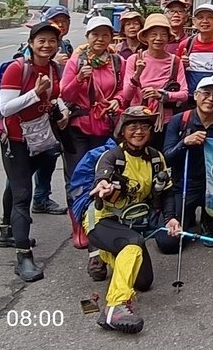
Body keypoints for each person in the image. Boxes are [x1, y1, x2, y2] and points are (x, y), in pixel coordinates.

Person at [87, 107, 182, 333]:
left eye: (144, 126)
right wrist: (103, 185)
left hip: (132, 223)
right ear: (123, 130)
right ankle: (115, 306)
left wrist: (170, 219)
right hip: (103, 220)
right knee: (133, 245)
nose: (138, 131)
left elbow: (167, 191)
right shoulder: (113, 157)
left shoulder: (156, 158)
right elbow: (102, 177)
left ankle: (106, 255)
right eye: (133, 126)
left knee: (143, 282)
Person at [0, 21, 66, 282]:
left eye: (52, 41)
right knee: (23, 194)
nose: (47, 45)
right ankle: (23, 256)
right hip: (16, 140)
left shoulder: (53, 68)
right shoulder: (17, 69)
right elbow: (6, 108)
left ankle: (6, 230)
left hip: (39, 138)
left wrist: (60, 112)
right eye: (41, 40)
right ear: (31, 43)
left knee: (17, 185)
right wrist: (35, 94)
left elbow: (54, 98)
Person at [60, 16, 123, 267]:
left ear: (111, 38)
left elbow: (124, 88)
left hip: (104, 127)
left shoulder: (117, 61)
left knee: (101, 177)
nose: (100, 39)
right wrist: (80, 79)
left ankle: (98, 222)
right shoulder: (78, 60)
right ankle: (78, 224)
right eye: (95, 34)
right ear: (87, 37)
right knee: (77, 176)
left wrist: (118, 99)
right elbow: (65, 92)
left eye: (105, 35)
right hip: (78, 127)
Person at [162, 75, 213, 250]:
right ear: (196, 95)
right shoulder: (180, 120)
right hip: (184, 185)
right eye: (206, 93)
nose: (211, 99)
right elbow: (166, 158)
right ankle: (188, 218)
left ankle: (209, 220)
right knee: (168, 243)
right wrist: (184, 143)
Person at [23, 5, 72, 215]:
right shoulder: (31, 49)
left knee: (49, 157)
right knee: (23, 169)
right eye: (55, 20)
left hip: (52, 114)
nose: (60, 24)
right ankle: (16, 213)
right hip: (29, 118)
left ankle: (41, 198)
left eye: (64, 21)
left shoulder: (66, 45)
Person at [118, 13, 189, 147]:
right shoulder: (134, 60)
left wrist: (162, 94)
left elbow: (184, 94)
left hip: (164, 121)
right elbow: (127, 95)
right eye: (153, 34)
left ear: (168, 38)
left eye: (163, 34)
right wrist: (137, 74)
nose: (158, 38)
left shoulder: (175, 61)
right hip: (138, 120)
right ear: (145, 37)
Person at [177, 3, 213, 92]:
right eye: (200, 17)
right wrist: (181, 65)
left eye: (210, 17)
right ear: (194, 22)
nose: (205, 21)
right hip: (190, 99)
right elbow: (176, 73)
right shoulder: (186, 44)